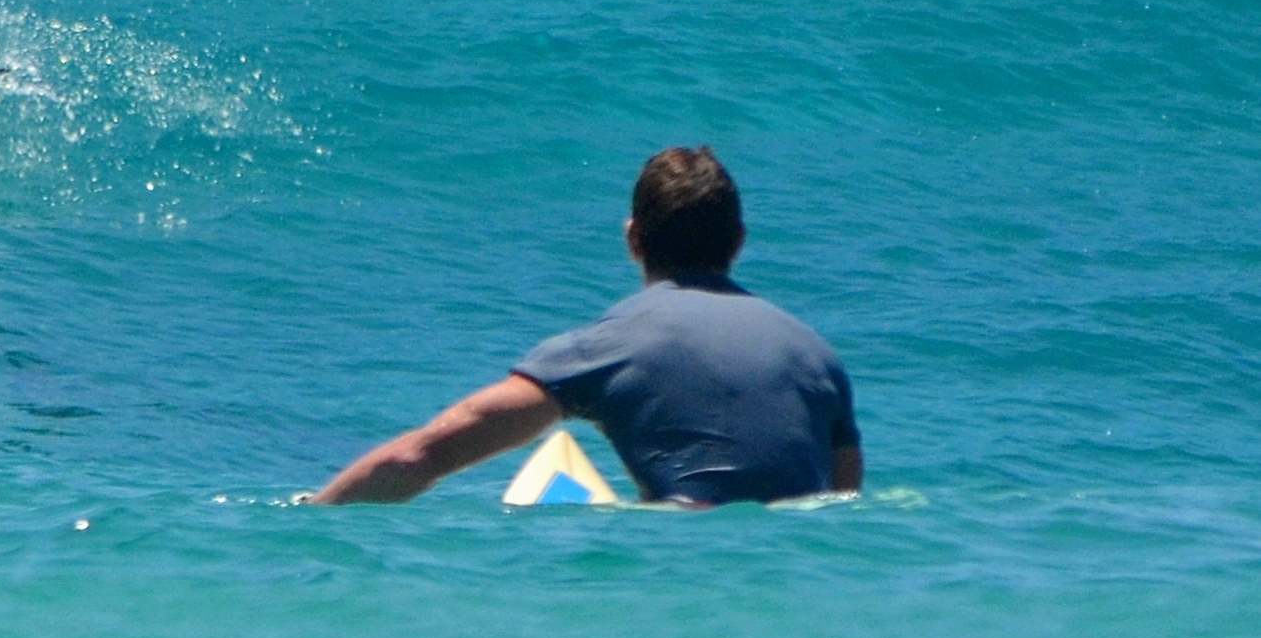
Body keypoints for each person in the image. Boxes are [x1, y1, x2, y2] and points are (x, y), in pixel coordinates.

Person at [310, 146, 862, 506]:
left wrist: (311, 514)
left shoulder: (609, 348)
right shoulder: (819, 359)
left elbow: (418, 457)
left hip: (683, 566)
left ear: (631, 239)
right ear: (739, 242)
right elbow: (843, 506)